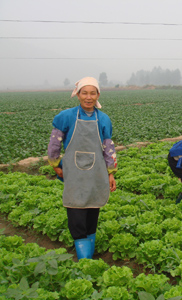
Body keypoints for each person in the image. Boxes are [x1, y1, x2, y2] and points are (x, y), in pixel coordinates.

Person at [47, 77, 117, 260]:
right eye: (84, 93)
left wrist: (111, 173)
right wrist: (55, 164)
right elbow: (55, 143)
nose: (88, 97)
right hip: (74, 174)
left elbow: (108, 148)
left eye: (92, 93)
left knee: (92, 212)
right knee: (76, 214)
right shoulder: (66, 116)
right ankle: (84, 259)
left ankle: (88, 254)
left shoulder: (103, 119)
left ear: (98, 95)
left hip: (96, 174)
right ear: (77, 94)